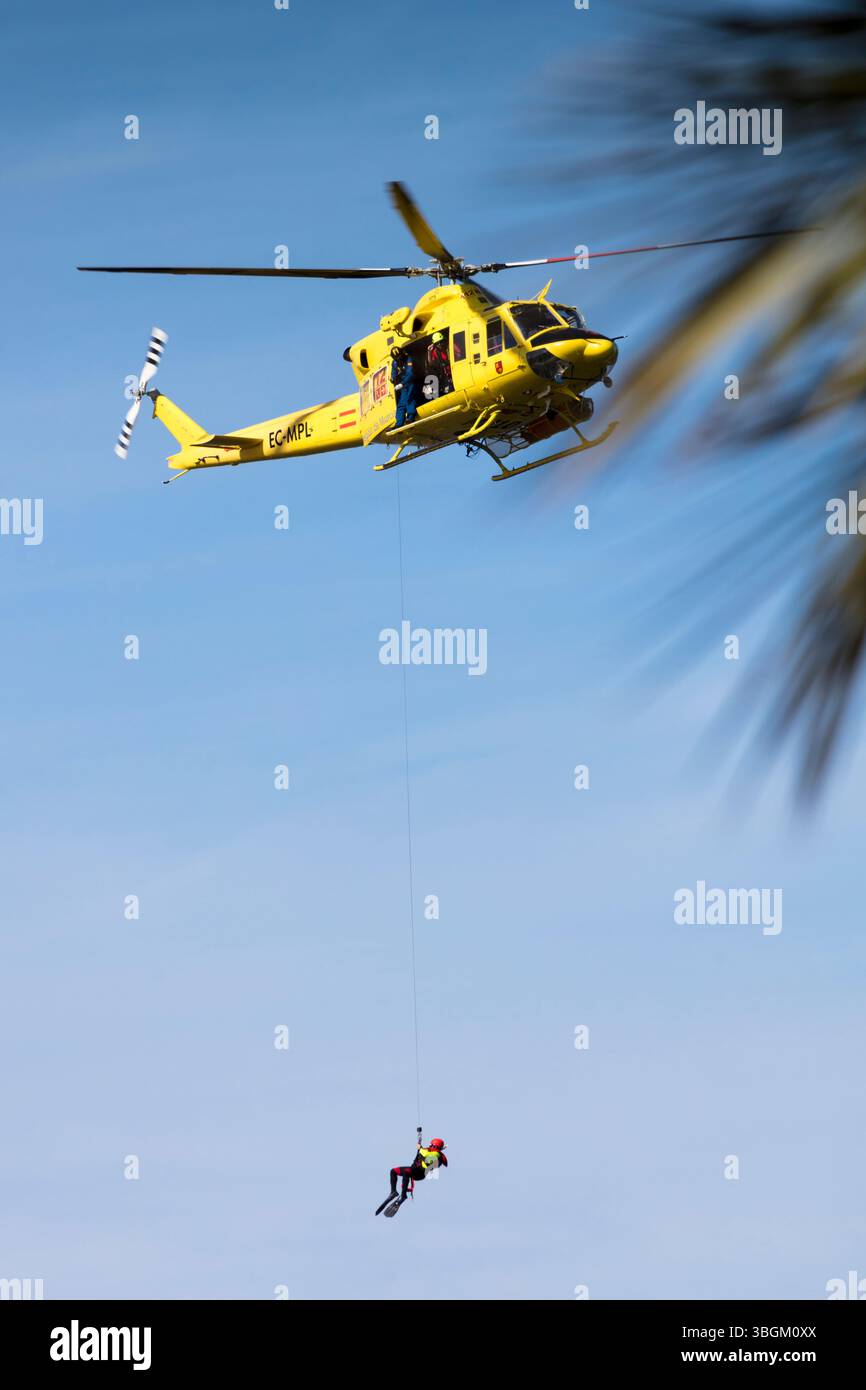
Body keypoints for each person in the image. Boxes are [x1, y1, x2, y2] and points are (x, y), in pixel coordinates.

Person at [376, 1130, 448, 1212]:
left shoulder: (436, 1155)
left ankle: (403, 1196)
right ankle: (393, 1192)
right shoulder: (428, 1151)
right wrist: (420, 1144)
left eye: (431, 1145)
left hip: (419, 1173)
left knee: (406, 1172)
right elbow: (424, 1152)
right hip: (413, 1170)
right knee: (393, 1171)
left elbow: (428, 1158)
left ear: (435, 1146)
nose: (430, 1146)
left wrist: (420, 1148)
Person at [391, 347, 420, 427]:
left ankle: (411, 417)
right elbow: (393, 373)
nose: (398, 359)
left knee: (409, 399)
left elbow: (410, 374)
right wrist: (395, 381)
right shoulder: (394, 362)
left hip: (410, 382)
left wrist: (402, 383)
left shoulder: (408, 359)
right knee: (401, 404)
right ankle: (399, 423)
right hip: (402, 385)